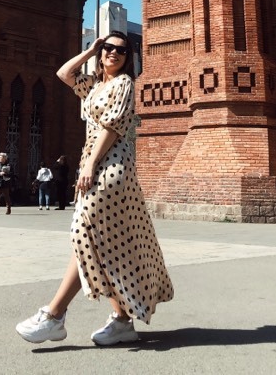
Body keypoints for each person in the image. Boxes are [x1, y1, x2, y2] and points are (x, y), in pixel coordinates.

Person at [16, 32, 173, 346]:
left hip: (110, 168)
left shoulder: (123, 84)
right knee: (105, 241)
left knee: (84, 232)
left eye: (121, 50)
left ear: (129, 57)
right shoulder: (95, 86)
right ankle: (122, 320)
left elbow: (111, 125)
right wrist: (90, 50)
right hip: (94, 164)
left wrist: (89, 166)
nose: (114, 54)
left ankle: (54, 315)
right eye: (108, 48)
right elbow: (64, 74)